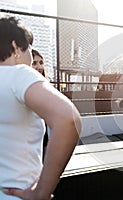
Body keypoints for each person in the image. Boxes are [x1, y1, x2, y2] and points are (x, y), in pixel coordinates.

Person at [0, 15, 81, 200]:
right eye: (29, 47)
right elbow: (68, 119)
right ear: (15, 48)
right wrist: (41, 192)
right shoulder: (19, 74)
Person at [31, 48, 50, 161]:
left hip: (42, 138)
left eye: (41, 62)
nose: (40, 67)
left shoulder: (44, 87)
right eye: (34, 63)